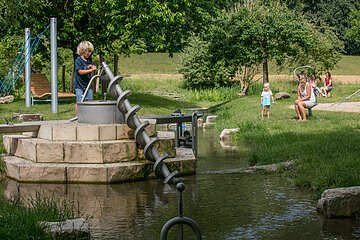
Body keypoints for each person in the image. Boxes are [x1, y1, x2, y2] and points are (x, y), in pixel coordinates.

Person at [74, 41, 97, 115]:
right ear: (83, 51)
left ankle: (88, 115)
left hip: (88, 84)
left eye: (91, 51)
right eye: (88, 51)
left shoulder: (89, 60)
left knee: (89, 100)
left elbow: (85, 67)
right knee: (79, 102)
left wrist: (89, 66)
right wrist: (91, 70)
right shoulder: (78, 60)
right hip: (79, 85)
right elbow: (80, 71)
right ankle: (78, 116)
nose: (89, 53)